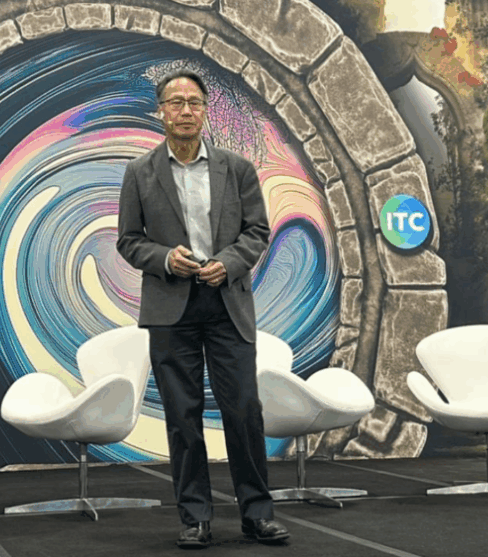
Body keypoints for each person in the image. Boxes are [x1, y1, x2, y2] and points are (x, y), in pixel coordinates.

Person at [116, 69, 289, 549]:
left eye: (194, 102)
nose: (186, 111)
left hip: (227, 305)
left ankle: (257, 514)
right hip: (170, 310)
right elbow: (129, 240)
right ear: (161, 111)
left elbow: (257, 231)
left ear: (205, 110)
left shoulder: (238, 169)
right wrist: (164, 259)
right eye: (176, 102)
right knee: (183, 417)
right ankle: (195, 518)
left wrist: (228, 263)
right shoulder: (139, 172)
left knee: (244, 411)